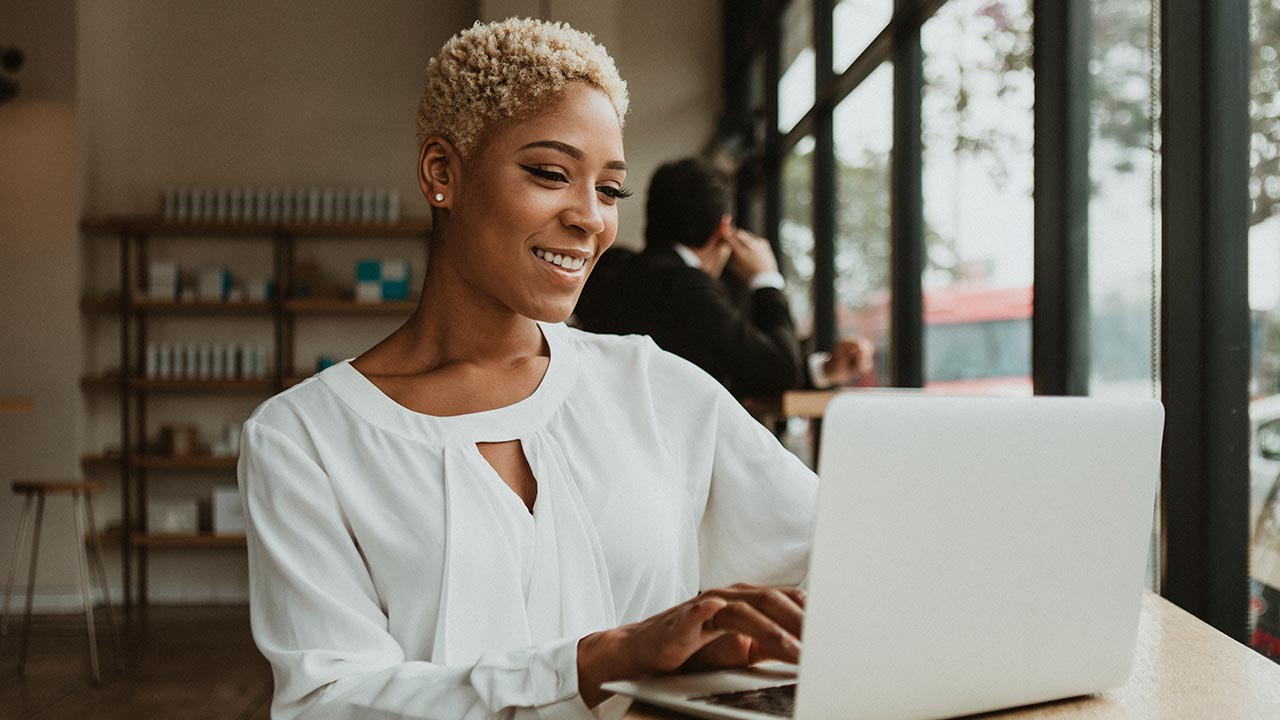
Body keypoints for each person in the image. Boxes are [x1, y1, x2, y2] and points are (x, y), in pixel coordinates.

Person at [238, 18, 817, 720]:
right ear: (442, 173)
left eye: (610, 190)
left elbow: (844, 553)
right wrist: (601, 661)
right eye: (550, 175)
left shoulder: (654, 386)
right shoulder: (303, 438)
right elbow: (329, 704)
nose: (590, 219)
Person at [574, 157, 874, 398]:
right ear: (724, 228)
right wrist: (766, 279)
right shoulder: (688, 287)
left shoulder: (609, 270)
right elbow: (779, 367)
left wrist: (824, 370)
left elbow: (737, 365)